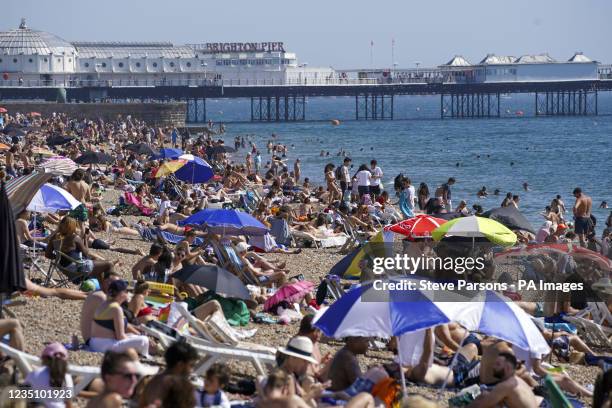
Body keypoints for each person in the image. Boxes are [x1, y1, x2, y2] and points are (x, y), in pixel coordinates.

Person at [89, 280, 150, 356]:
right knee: (144, 340)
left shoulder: (105, 304)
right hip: (104, 345)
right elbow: (120, 336)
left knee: (135, 336)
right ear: (121, 294)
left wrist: (135, 335)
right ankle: (145, 356)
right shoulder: (116, 308)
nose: (128, 294)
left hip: (94, 343)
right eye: (126, 291)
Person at [467, 352, 538, 408]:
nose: (493, 366)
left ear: (507, 368)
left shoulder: (506, 385)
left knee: (484, 397)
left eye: (498, 364)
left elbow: (482, 406)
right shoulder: (517, 380)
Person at [139, 341, 199, 407]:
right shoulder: (182, 387)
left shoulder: (151, 381)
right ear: (180, 365)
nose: (192, 371)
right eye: (191, 365)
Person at [23, 342, 74, 408]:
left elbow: (23, 397)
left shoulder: (35, 374)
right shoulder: (66, 377)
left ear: (44, 359)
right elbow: (69, 404)